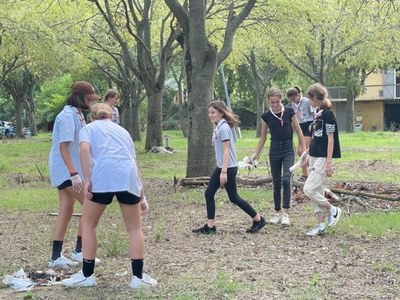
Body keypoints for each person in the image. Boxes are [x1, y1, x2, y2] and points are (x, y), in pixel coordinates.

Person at [62, 103, 157, 288]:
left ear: (92, 116)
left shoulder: (88, 129)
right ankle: (138, 278)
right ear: (111, 116)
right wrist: (142, 195)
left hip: (102, 176)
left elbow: (83, 150)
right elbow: (134, 162)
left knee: (88, 224)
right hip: (127, 177)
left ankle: (87, 275)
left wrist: (86, 178)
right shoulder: (123, 132)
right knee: (134, 228)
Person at [192, 100, 267, 234]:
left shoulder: (224, 128)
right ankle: (210, 227)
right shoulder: (219, 126)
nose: (210, 115)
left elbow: (226, 150)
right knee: (213, 194)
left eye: (213, 112)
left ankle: (258, 219)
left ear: (221, 113)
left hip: (228, 168)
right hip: (223, 166)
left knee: (231, 197)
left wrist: (224, 172)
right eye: (209, 112)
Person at [48, 81, 101, 268]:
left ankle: (56, 256)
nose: (91, 102)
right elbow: (63, 147)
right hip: (66, 170)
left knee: (66, 210)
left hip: (69, 170)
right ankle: (80, 251)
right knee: (90, 204)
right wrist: (74, 174)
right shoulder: (68, 117)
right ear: (79, 97)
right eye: (89, 99)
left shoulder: (77, 115)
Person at [251, 88, 305, 226]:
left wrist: (303, 148)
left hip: (288, 148)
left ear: (281, 100)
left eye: (277, 102)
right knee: (276, 181)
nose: (275, 104)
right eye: (272, 102)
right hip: (274, 148)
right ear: (268, 101)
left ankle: (286, 213)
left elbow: (298, 130)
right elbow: (263, 137)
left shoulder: (289, 111)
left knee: (287, 179)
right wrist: (255, 155)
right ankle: (277, 212)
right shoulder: (266, 116)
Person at [303, 83, 342, 236]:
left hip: (322, 158)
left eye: (309, 97)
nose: (308, 100)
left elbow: (331, 139)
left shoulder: (328, 115)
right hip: (313, 155)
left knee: (309, 189)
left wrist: (329, 162)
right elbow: (315, 137)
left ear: (314, 97)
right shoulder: (317, 113)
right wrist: (306, 152)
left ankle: (333, 210)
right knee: (318, 190)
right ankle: (320, 225)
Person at [287, 85, 314, 182]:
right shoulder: (293, 105)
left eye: (294, 98)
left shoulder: (306, 102)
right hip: (300, 127)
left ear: (298, 95)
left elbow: (313, 113)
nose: (293, 100)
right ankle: (305, 174)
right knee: (299, 152)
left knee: (303, 151)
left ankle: (314, 171)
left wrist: (315, 126)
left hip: (309, 125)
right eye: (291, 99)